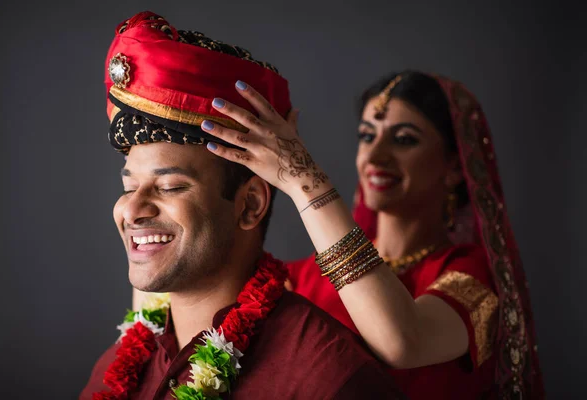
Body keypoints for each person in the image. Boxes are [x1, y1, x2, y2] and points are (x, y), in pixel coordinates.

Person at [80, 11, 405, 400]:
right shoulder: (118, 367)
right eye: (129, 185)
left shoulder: (325, 378)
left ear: (250, 205)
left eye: (168, 186)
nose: (131, 210)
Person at [200, 70, 545, 399]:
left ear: (455, 166)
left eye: (404, 140)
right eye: (367, 136)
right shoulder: (302, 279)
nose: (375, 156)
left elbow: (402, 342)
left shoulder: (472, 277)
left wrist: (304, 182)